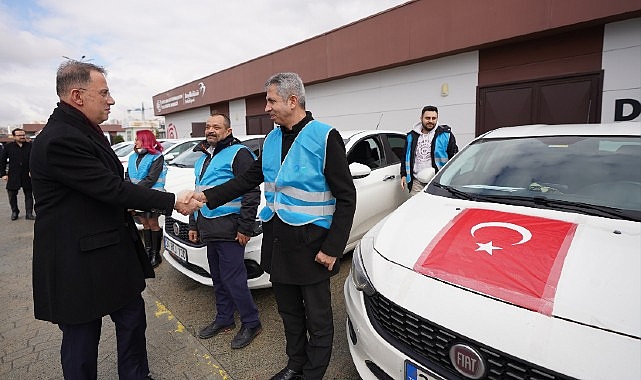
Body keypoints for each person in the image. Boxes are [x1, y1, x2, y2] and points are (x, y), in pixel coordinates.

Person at [30, 60, 201, 380]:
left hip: (109, 251)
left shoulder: (84, 131)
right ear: (78, 96)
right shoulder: (60, 139)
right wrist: (172, 201)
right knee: (82, 338)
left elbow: (103, 191)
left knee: (133, 318)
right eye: (104, 92)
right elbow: (110, 188)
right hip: (77, 262)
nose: (111, 100)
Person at [186, 72, 357, 380]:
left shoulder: (325, 136)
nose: (266, 107)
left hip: (313, 245)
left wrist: (333, 249)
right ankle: (295, 366)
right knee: (289, 314)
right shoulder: (272, 138)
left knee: (317, 319)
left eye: (271, 100)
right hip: (278, 242)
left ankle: (313, 374)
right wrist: (204, 196)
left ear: (293, 101)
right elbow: (247, 179)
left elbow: (347, 197)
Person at [189, 113, 262, 349]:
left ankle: (251, 322)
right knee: (218, 278)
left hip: (230, 229)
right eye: (208, 126)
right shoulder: (202, 158)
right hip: (209, 227)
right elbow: (198, 191)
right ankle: (224, 319)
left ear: (228, 131)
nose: (210, 130)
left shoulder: (239, 154)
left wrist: (245, 227)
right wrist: (194, 223)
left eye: (216, 127)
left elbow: (251, 191)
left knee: (234, 280)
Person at [125, 130, 168, 268]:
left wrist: (133, 191)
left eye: (138, 139)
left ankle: (156, 254)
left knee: (153, 222)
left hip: (151, 195)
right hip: (137, 196)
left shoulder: (156, 157)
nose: (135, 142)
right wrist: (129, 190)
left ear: (145, 140)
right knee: (144, 223)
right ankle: (148, 253)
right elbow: (127, 176)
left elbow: (151, 178)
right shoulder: (132, 157)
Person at [400, 105, 458, 196]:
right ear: (421, 118)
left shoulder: (446, 135)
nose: (431, 121)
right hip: (416, 182)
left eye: (434, 118)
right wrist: (403, 175)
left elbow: (454, 158)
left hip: (438, 182)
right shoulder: (411, 136)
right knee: (417, 208)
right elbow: (405, 157)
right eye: (427, 118)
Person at [0, 128, 34, 220]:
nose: (22, 137)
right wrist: (3, 174)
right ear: (14, 136)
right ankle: (15, 212)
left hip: (27, 174)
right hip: (13, 175)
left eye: (23, 135)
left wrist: (33, 170)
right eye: (19, 135)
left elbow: (35, 159)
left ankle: (29, 213)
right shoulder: (8, 147)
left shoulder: (31, 146)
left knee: (29, 195)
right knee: (12, 195)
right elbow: (2, 161)